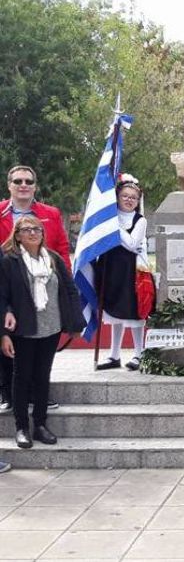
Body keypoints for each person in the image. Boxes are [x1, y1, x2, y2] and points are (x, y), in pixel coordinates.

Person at [0, 216, 85, 448]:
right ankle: (21, 428)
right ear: (17, 235)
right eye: (27, 230)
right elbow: (2, 295)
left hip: (51, 328)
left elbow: (70, 290)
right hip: (23, 330)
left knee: (42, 376)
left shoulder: (54, 259)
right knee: (22, 377)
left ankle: (39, 424)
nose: (33, 233)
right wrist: (4, 333)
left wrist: (76, 323)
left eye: (37, 229)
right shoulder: (9, 261)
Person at [0, 165, 71, 412]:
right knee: (8, 343)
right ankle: (7, 393)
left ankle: (38, 394)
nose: (23, 185)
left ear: (34, 186)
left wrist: (65, 283)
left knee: (40, 344)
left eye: (28, 181)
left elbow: (61, 249)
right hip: (8, 289)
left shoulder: (50, 214)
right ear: (9, 185)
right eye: (17, 181)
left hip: (43, 291)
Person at [94, 176, 149, 371]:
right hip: (111, 269)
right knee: (113, 311)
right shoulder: (107, 217)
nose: (128, 200)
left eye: (133, 197)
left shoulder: (140, 221)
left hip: (132, 271)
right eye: (125, 196)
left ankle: (138, 354)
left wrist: (114, 225)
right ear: (117, 197)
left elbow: (132, 244)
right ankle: (114, 355)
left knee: (134, 313)